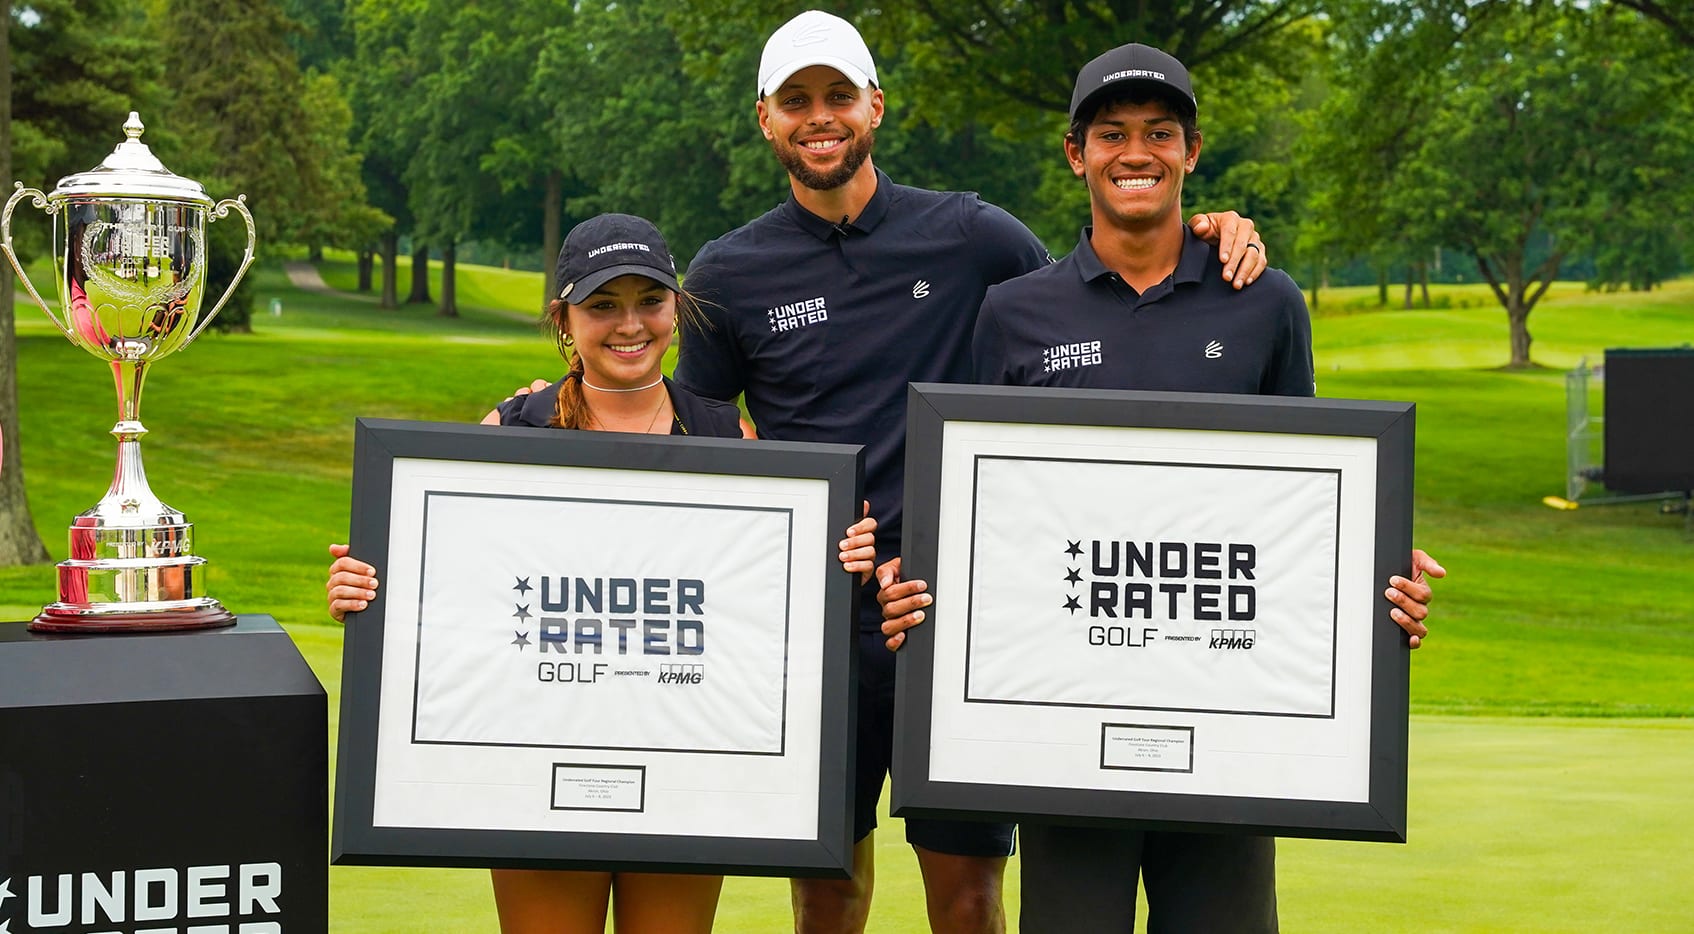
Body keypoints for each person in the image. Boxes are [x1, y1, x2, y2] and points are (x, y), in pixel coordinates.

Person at [669, 12, 1270, 934]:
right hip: (816, 621)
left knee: (969, 893)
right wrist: (537, 412)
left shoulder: (973, 236)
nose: (819, 117)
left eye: (838, 96)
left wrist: (1208, 229)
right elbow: (695, 439)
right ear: (765, 119)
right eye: (796, 101)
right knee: (825, 891)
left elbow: (1094, 301)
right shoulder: (728, 272)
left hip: (957, 619)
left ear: (876, 104)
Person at [873, 43, 1446, 933]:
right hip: (1067, 728)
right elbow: (989, 522)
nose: (1134, 152)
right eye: (1111, 133)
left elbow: (1310, 504)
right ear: (1076, 153)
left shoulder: (1265, 301)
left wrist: (1377, 578)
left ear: (1192, 148)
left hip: (1227, 724)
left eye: (1159, 133)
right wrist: (922, 591)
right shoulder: (1016, 311)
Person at [325, 213, 879, 934]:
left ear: (677, 309)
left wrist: (838, 560)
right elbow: (443, 587)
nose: (629, 324)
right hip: (534, 758)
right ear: (564, 319)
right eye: (602, 305)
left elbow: (762, 606)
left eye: (649, 301)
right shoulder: (513, 432)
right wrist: (364, 589)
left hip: (683, 761)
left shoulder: (726, 434)